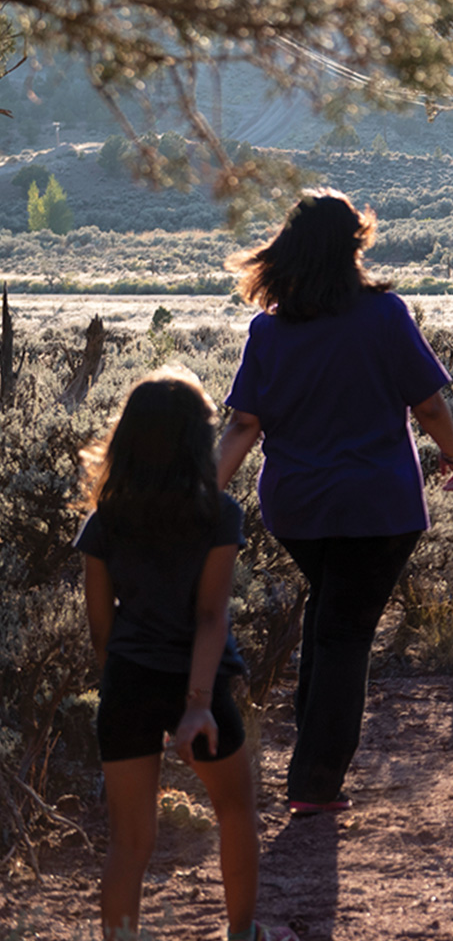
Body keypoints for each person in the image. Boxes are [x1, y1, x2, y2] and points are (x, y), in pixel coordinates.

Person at [215, 189, 453, 818]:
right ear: (354, 244)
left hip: (297, 507)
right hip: (377, 506)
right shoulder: (385, 316)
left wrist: (202, 493)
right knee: (345, 633)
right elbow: (428, 404)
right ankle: (315, 783)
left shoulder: (269, 330)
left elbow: (243, 425)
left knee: (332, 617)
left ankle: (309, 765)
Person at [78, 367, 296, 941]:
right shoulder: (217, 516)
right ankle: (243, 934)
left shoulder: (105, 521)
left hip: (126, 683)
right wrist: (196, 703)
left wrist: (124, 683)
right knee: (236, 813)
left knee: (129, 842)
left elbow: (101, 628)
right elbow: (210, 615)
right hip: (195, 685)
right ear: (196, 441)